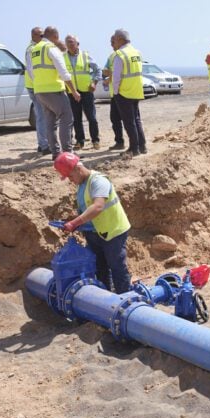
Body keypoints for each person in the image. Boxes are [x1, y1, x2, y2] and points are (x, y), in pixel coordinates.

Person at [54, 152, 132, 294]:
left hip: (113, 231)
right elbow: (87, 209)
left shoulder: (98, 181)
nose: (70, 180)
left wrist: (74, 223)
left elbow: (98, 206)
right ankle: (105, 300)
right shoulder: (82, 184)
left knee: (116, 267)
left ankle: (126, 302)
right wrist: (77, 223)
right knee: (100, 268)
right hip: (95, 233)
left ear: (78, 168)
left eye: (70, 176)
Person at [27, 26, 81, 160]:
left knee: (50, 123)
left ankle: (56, 153)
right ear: (55, 36)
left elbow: (31, 71)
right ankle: (68, 153)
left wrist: (39, 85)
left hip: (40, 91)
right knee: (67, 118)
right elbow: (64, 73)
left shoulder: (34, 50)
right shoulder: (51, 48)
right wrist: (74, 91)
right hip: (54, 90)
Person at [111, 29, 146, 156]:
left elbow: (116, 77)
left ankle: (134, 148)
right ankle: (142, 146)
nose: (114, 42)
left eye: (114, 39)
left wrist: (115, 92)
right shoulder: (137, 52)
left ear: (120, 39)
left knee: (129, 121)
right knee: (136, 119)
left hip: (124, 92)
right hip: (136, 90)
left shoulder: (120, 54)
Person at [64, 34, 101, 150]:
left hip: (86, 91)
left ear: (77, 44)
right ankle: (80, 141)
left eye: (72, 42)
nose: (69, 44)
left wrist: (94, 83)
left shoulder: (85, 55)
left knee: (92, 117)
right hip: (72, 92)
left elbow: (97, 70)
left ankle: (95, 140)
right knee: (76, 118)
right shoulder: (62, 57)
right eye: (67, 42)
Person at [24, 27, 49, 156]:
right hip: (35, 87)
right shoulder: (32, 49)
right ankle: (44, 145)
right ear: (34, 35)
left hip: (37, 86)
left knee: (43, 116)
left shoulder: (37, 48)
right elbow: (31, 69)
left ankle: (43, 144)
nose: (43, 37)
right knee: (41, 116)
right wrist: (38, 85)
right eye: (41, 35)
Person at [102, 36, 124, 150]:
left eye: (113, 42)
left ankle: (135, 144)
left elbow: (119, 73)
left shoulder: (123, 54)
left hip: (124, 93)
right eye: (110, 42)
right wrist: (111, 73)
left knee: (129, 120)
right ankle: (119, 142)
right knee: (114, 119)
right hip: (114, 93)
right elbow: (105, 70)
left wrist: (111, 74)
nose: (111, 45)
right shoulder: (111, 56)